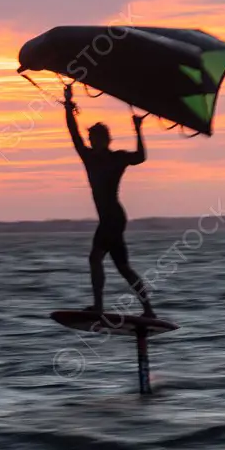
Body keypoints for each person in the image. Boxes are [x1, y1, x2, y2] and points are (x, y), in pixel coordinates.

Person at [63, 84, 155, 318]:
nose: (94, 141)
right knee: (123, 268)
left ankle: (100, 307)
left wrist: (138, 129)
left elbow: (141, 157)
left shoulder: (117, 158)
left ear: (107, 139)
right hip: (111, 219)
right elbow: (73, 133)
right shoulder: (89, 157)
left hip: (113, 218)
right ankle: (148, 310)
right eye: (92, 138)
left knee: (95, 259)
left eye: (98, 138)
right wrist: (67, 106)